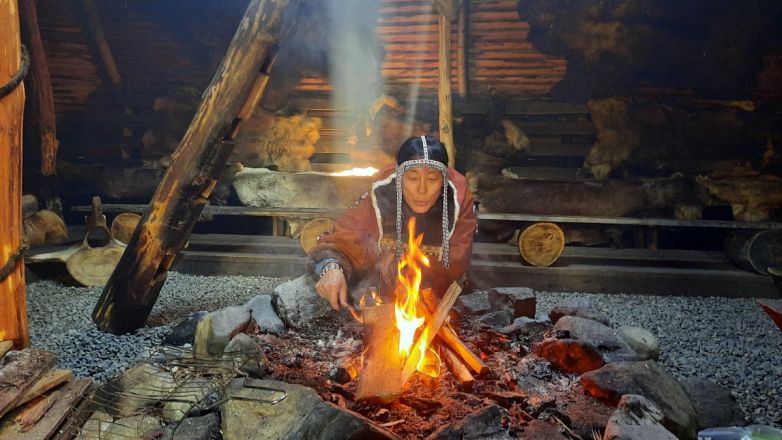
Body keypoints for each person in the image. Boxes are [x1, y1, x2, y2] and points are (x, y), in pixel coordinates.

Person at [307, 135, 477, 311]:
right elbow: (343, 238)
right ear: (399, 178)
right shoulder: (383, 192)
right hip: (383, 298)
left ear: (443, 182)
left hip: (437, 303)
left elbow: (457, 262)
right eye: (412, 178)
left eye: (432, 180)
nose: (422, 190)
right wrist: (332, 269)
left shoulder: (457, 198)